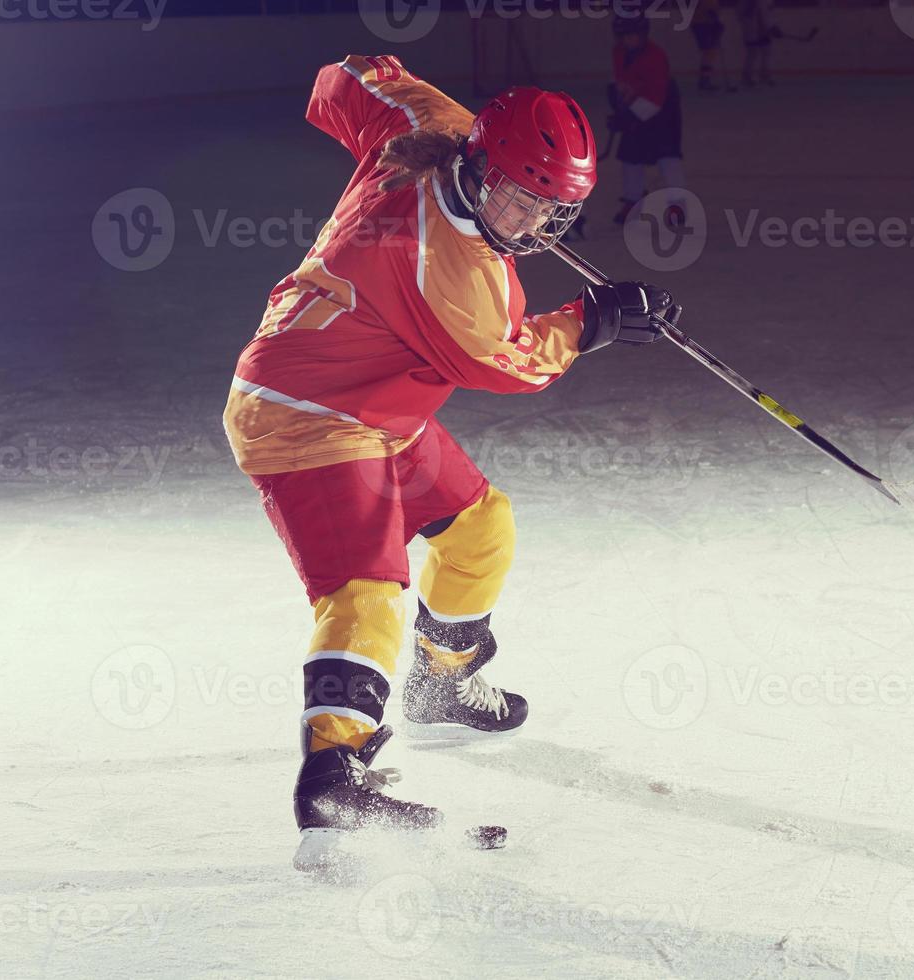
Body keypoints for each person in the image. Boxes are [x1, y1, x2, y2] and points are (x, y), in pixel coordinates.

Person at [222, 54, 679, 867]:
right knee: (365, 590)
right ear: (479, 166)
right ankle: (332, 772)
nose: (532, 222)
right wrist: (590, 321)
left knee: (480, 529)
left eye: (552, 208)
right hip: (308, 416)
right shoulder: (451, 271)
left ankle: (439, 683)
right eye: (518, 200)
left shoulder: (428, 129)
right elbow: (509, 363)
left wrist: (384, 83)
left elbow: (340, 79)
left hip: (376, 406)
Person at [608, 16, 687, 227]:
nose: (627, 40)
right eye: (623, 36)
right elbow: (621, 82)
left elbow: (656, 98)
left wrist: (629, 117)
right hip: (636, 108)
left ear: (643, 36)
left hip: (663, 112)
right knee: (630, 156)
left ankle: (677, 205)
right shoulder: (619, 52)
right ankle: (633, 200)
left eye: (632, 36)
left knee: (667, 157)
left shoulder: (656, 56)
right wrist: (620, 107)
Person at [691, 0, 734, 93]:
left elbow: (713, 12)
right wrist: (715, 20)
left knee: (710, 53)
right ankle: (704, 81)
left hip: (705, 24)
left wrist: (717, 22)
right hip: (702, 25)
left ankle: (705, 79)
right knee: (709, 52)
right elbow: (708, 11)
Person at [738, 0, 775, 87]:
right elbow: (740, 14)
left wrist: (771, 27)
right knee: (753, 53)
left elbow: (767, 13)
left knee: (766, 52)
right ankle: (747, 77)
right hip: (752, 30)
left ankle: (764, 75)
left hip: (763, 30)